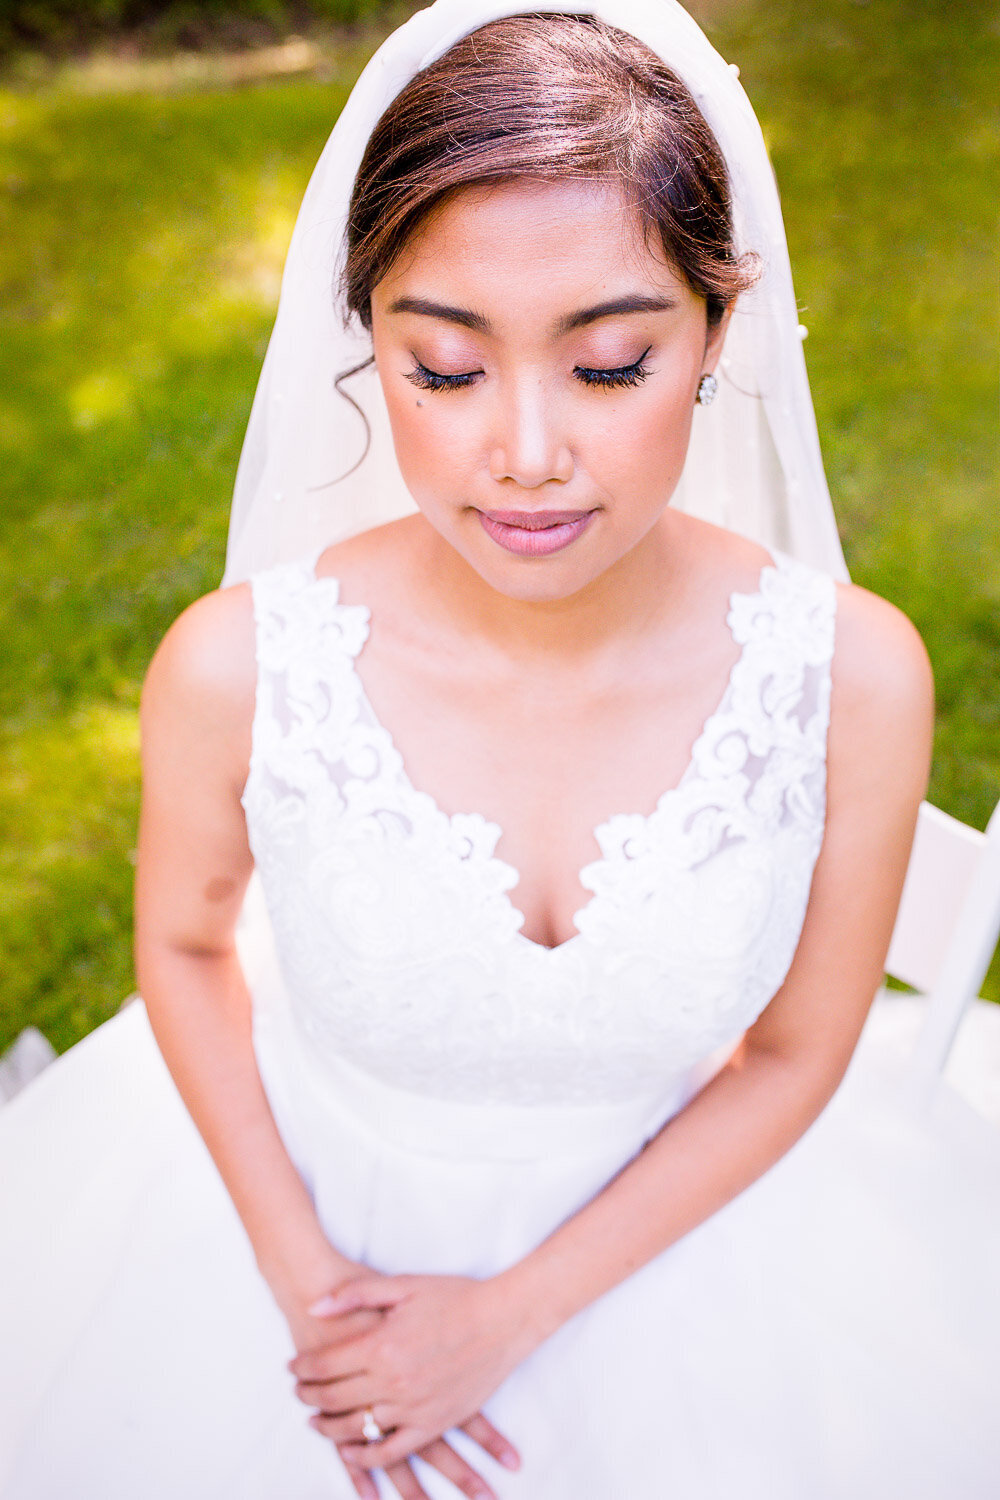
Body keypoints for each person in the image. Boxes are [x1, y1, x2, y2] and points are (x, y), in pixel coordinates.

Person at [1, 3, 998, 1498]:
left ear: (718, 334)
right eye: (446, 372)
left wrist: (505, 1319)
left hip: (700, 1239)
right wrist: (311, 1292)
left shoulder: (852, 671)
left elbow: (797, 1050)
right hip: (287, 1230)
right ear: (371, 349)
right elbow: (188, 952)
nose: (527, 452)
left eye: (607, 366)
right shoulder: (237, 664)